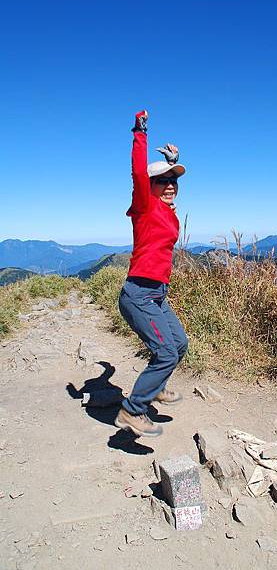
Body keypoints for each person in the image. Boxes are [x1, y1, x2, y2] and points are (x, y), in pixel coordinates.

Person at [114, 110, 188, 438]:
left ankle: (156, 387)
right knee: (166, 352)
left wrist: (172, 162)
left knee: (179, 344)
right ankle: (132, 411)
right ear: (151, 185)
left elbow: (168, 189)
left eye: (174, 181)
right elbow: (138, 173)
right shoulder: (144, 205)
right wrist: (140, 132)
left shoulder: (167, 212)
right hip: (139, 292)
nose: (171, 185)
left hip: (157, 293)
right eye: (163, 181)